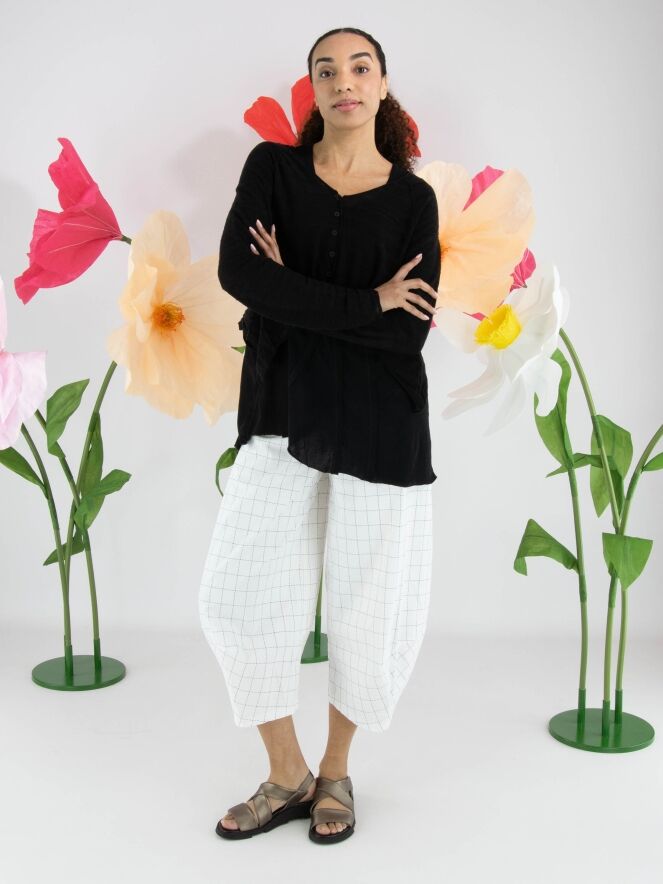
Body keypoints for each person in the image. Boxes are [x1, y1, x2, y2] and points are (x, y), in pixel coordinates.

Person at [198, 26, 441, 844]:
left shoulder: (412, 201)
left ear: (382, 84)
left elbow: (405, 333)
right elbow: (238, 273)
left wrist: (288, 289)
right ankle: (286, 773)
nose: (344, 81)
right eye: (326, 70)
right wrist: (366, 299)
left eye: (359, 67)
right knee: (233, 595)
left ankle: (334, 771)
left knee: (367, 605)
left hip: (381, 422)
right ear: (312, 88)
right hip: (281, 409)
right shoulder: (271, 170)